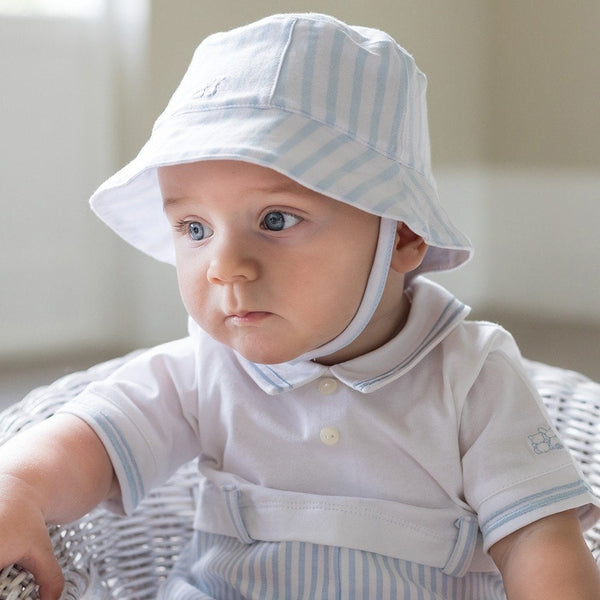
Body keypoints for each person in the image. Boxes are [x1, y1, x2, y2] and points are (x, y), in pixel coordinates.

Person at [0, 13, 599, 600]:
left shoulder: (472, 375)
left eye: (276, 219)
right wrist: (19, 485)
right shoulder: (203, 370)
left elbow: (536, 543)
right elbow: (93, 441)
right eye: (193, 227)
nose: (224, 266)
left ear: (405, 235)